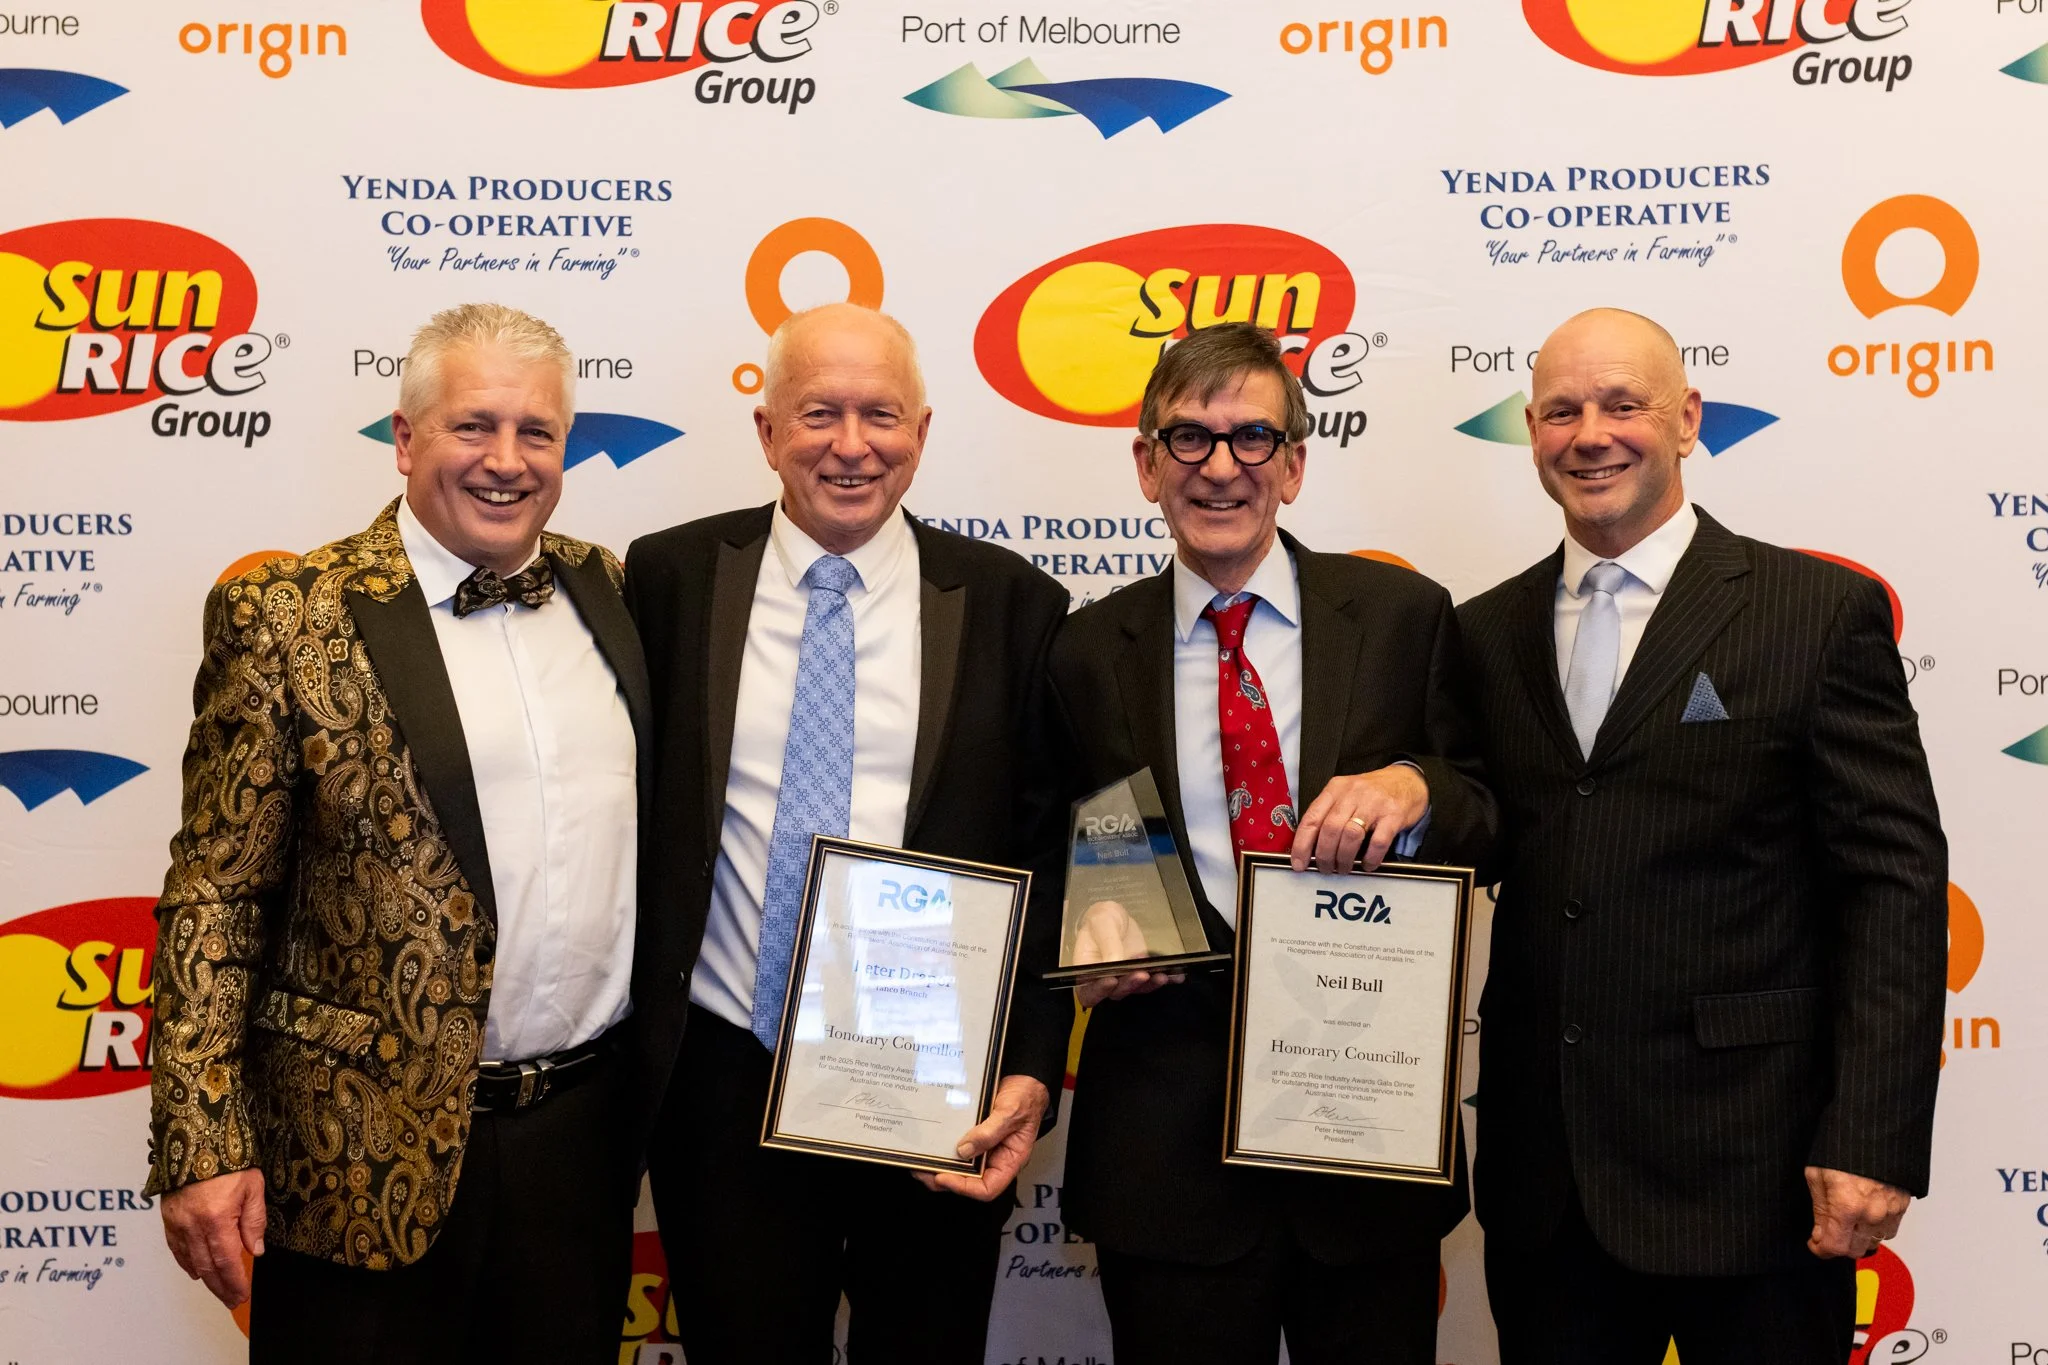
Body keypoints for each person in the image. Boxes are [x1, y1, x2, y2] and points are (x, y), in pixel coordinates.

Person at [145, 303, 655, 1364]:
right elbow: (216, 894)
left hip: (579, 1142)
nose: (506, 460)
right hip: (355, 1148)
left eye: (537, 431)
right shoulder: (289, 614)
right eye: (474, 426)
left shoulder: (607, 588)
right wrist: (201, 1139)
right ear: (405, 436)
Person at [1458, 308, 1947, 1363]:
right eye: (1560, 410)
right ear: (1531, 433)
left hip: (1756, 1180)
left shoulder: (1814, 611)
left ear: (1685, 419)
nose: (1590, 434)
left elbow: (1892, 886)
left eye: (1622, 405)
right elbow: (1473, 829)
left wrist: (1871, 1135)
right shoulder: (1480, 632)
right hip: (1547, 1191)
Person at [623, 302, 1071, 1364]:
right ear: (766, 430)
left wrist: (1030, 1063)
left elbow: (1051, 855)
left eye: (881, 414)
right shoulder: (670, 579)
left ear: (922, 429)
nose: (852, 445)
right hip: (724, 1076)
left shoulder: (1012, 604)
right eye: (819, 413)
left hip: (933, 1081)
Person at [1046, 322, 1497, 1365]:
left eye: (1252, 437)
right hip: (1166, 1154)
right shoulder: (1083, 650)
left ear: (1293, 465)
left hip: (1366, 1146)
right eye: (1189, 438)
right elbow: (1045, 845)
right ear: (1146, 464)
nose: (1221, 467)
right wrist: (1083, 936)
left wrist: (1416, 786)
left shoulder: (1402, 617)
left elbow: (1489, 812)